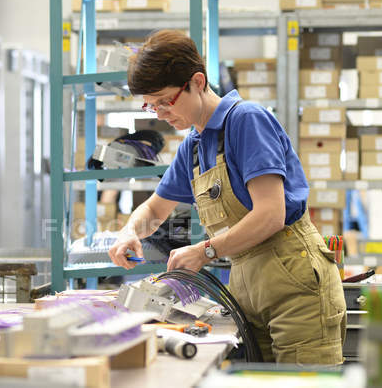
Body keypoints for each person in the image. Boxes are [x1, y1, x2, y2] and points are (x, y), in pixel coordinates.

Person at [108, 30, 346, 365]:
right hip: (247, 287)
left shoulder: (246, 120)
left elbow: (271, 214)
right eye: (151, 104)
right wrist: (129, 231)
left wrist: (205, 251)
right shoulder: (193, 145)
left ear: (197, 82)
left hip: (295, 286)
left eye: (165, 100)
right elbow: (155, 209)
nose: (159, 113)